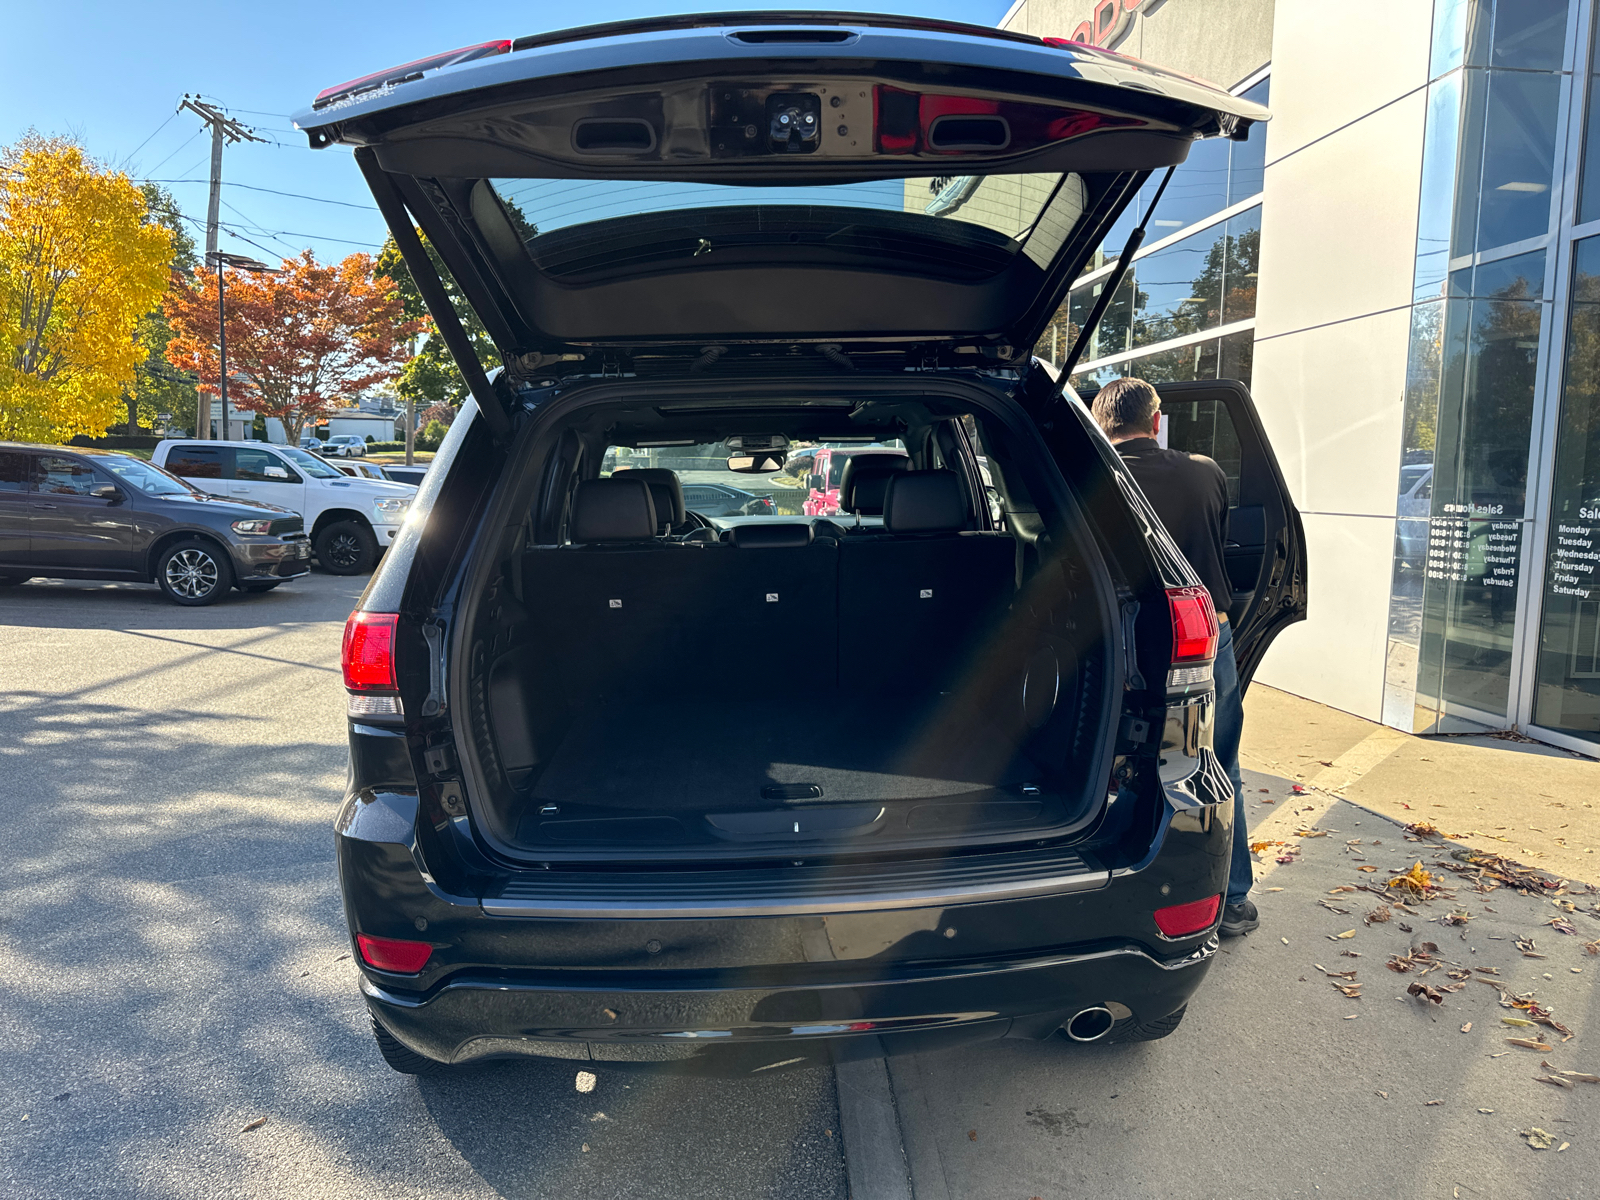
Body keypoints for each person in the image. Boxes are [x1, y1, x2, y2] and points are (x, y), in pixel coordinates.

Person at [1090, 377, 1257, 937]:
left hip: (1122, 638)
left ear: (1099, 423)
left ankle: (1106, 884)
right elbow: (1219, 541)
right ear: (1155, 419)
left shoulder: (1090, 477)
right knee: (1213, 758)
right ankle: (1229, 900)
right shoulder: (1205, 471)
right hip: (1206, 635)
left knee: (1112, 757)